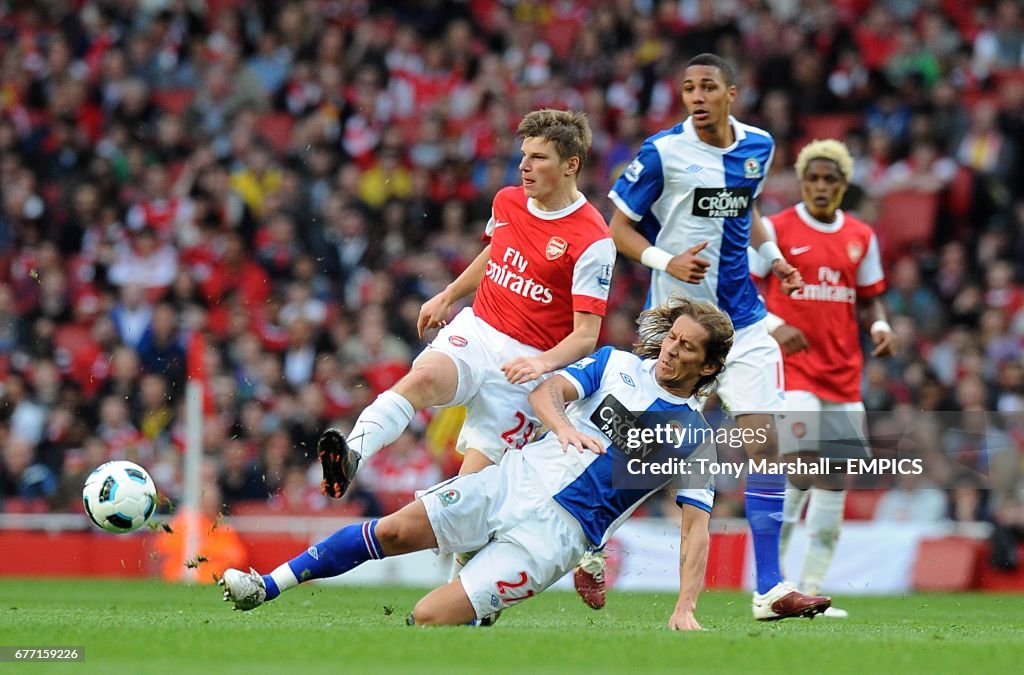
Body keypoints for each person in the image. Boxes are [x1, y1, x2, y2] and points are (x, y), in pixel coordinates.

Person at [220, 298, 794, 628]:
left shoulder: (693, 437)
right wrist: (567, 427)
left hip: (556, 537)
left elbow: (696, 529)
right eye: (674, 337)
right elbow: (546, 394)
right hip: (507, 483)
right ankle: (264, 587)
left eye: (689, 347)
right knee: (394, 529)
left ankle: (479, 608)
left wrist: (685, 608)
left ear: (709, 366)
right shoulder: (617, 364)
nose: (672, 349)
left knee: (426, 618)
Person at [316, 108, 614, 587]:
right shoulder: (509, 201)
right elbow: (496, 252)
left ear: (571, 165)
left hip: (525, 369)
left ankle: (468, 596)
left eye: (538, 158)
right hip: (479, 329)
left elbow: (586, 335)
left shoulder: (593, 239)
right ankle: (351, 453)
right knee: (424, 378)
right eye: (523, 156)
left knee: (471, 499)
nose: (525, 166)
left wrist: (539, 362)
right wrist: (450, 294)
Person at [605, 52, 826, 620]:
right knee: (647, 455)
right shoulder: (662, 152)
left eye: (707, 87)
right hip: (677, 330)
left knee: (767, 445)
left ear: (732, 92)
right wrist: (665, 260)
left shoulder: (759, 146)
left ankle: (771, 590)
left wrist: (773, 258)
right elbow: (618, 228)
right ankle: (588, 547)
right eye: (688, 88)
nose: (696, 96)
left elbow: (748, 212)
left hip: (744, 324)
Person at [750, 138, 896, 618]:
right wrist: (775, 326)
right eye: (812, 178)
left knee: (835, 480)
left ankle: (811, 588)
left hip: (844, 375)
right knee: (802, 462)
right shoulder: (775, 228)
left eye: (829, 180)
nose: (819, 187)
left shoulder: (861, 235)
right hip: (792, 371)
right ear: (802, 180)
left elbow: (870, 293)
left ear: (842, 186)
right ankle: (772, 583)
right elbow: (744, 292)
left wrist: (879, 324)